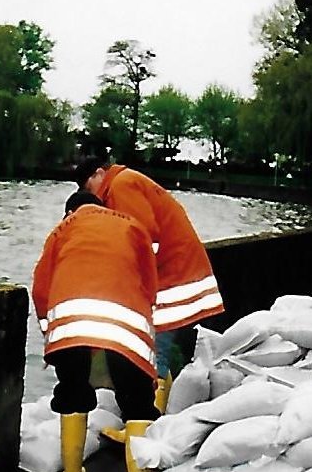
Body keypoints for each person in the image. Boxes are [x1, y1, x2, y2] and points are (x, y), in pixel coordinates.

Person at [31, 190, 159, 472]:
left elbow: (41, 288)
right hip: (125, 322)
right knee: (136, 399)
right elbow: (149, 280)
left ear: (69, 212)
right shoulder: (132, 225)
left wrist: (53, 336)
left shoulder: (63, 230)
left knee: (72, 389)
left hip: (70, 320)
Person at [73, 157, 225, 383]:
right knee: (162, 348)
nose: (92, 197)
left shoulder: (120, 186)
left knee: (154, 352)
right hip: (180, 272)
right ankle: (165, 403)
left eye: (89, 188)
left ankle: (152, 415)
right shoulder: (128, 181)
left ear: (98, 174)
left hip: (171, 279)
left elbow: (141, 237)